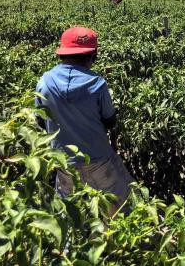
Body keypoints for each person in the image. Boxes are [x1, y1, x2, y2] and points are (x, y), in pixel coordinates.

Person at [36, 26, 134, 215]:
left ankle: (73, 243)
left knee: (70, 209)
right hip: (99, 158)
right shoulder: (97, 83)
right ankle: (123, 239)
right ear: (92, 55)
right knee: (121, 202)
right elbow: (109, 120)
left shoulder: (44, 82)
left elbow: (41, 122)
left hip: (63, 162)